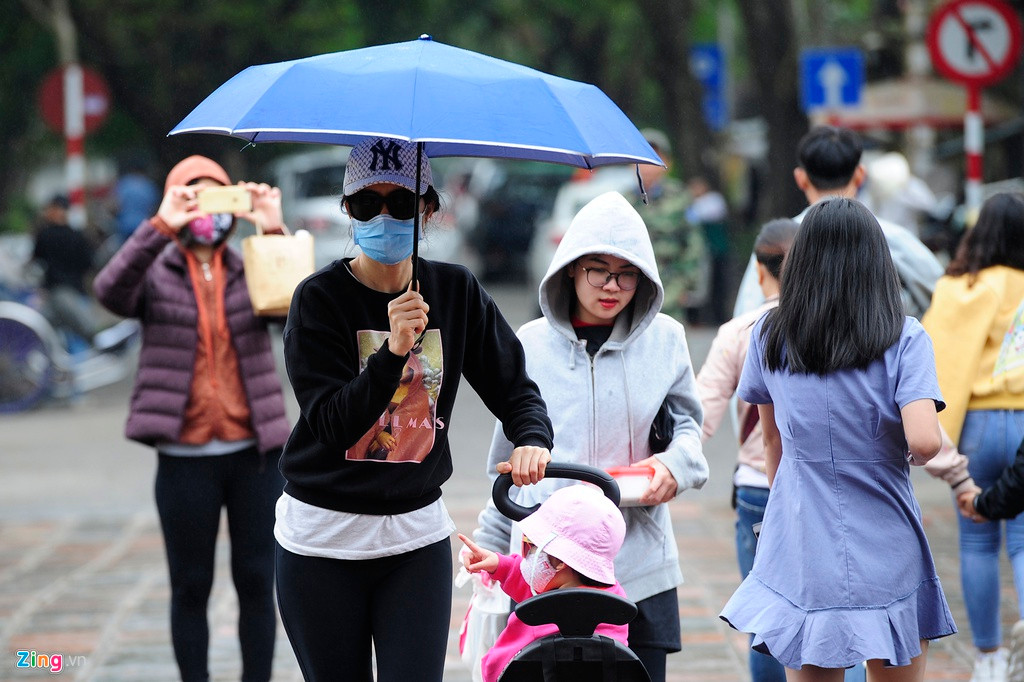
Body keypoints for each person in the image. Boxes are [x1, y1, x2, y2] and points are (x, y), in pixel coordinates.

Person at [271, 137, 553, 682]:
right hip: (320, 540)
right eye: (365, 204)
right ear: (346, 210)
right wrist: (394, 351)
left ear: (427, 209)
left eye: (400, 204)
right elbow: (330, 423)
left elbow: (516, 387)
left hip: (414, 538)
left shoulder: (455, 291)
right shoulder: (318, 300)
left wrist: (531, 437)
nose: (384, 216)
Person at [473, 190, 709, 681]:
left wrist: (675, 466)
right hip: (549, 576)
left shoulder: (665, 339)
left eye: (626, 273)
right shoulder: (530, 345)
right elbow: (505, 462)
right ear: (571, 269)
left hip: (640, 568)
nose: (612, 285)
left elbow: (689, 427)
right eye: (598, 269)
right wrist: (490, 554)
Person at [720, 197, 957, 680]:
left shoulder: (770, 334)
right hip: (886, 530)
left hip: (803, 533)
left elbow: (770, 441)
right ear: (876, 263)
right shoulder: (904, 337)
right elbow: (926, 442)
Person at [92, 155, 291, 682]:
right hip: (184, 457)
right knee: (190, 584)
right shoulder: (154, 267)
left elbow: (295, 308)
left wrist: (271, 226)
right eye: (192, 196)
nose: (208, 210)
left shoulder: (252, 262)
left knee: (256, 579)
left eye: (217, 196)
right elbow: (109, 292)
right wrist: (161, 225)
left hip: (254, 453)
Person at [921, 191, 1024, 682]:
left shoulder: (960, 286)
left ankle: (988, 657)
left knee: (977, 543)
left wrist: (942, 438)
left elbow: (939, 357)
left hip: (978, 425)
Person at [695, 217, 799, 682]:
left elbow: (700, 415)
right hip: (827, 489)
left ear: (760, 271)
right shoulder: (838, 325)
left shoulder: (741, 331)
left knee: (766, 617)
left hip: (759, 485)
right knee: (840, 617)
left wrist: (666, 465)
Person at [732, 125, 943, 321]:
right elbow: (941, 296)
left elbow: (745, 317)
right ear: (860, 175)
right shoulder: (893, 238)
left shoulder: (778, 240)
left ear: (800, 178)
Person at [459, 484, 628, 682]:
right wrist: (499, 565)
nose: (527, 555)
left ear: (560, 562)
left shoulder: (545, 610)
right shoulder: (613, 602)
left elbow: (503, 665)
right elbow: (529, 580)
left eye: (531, 545)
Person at [631, 128, 710, 325]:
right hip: (632, 289)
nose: (647, 165)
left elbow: (694, 243)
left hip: (672, 289)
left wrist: (687, 285)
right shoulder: (624, 201)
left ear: (667, 163)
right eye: (641, 157)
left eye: (654, 156)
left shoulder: (681, 197)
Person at [31, 194, 103, 343]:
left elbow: (36, 261)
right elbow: (89, 264)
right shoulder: (78, 235)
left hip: (56, 293)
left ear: (58, 210)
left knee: (52, 334)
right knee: (79, 339)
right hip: (77, 292)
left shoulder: (44, 235)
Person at [685, 175, 731, 325]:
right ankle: (699, 319)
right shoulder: (692, 204)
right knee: (699, 288)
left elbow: (700, 215)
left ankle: (719, 318)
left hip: (718, 252)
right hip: (703, 255)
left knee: (719, 287)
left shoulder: (713, 201)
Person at [111, 153, 161, 246]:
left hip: (124, 228)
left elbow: (115, 206)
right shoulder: (149, 185)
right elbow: (154, 209)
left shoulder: (124, 183)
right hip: (143, 227)